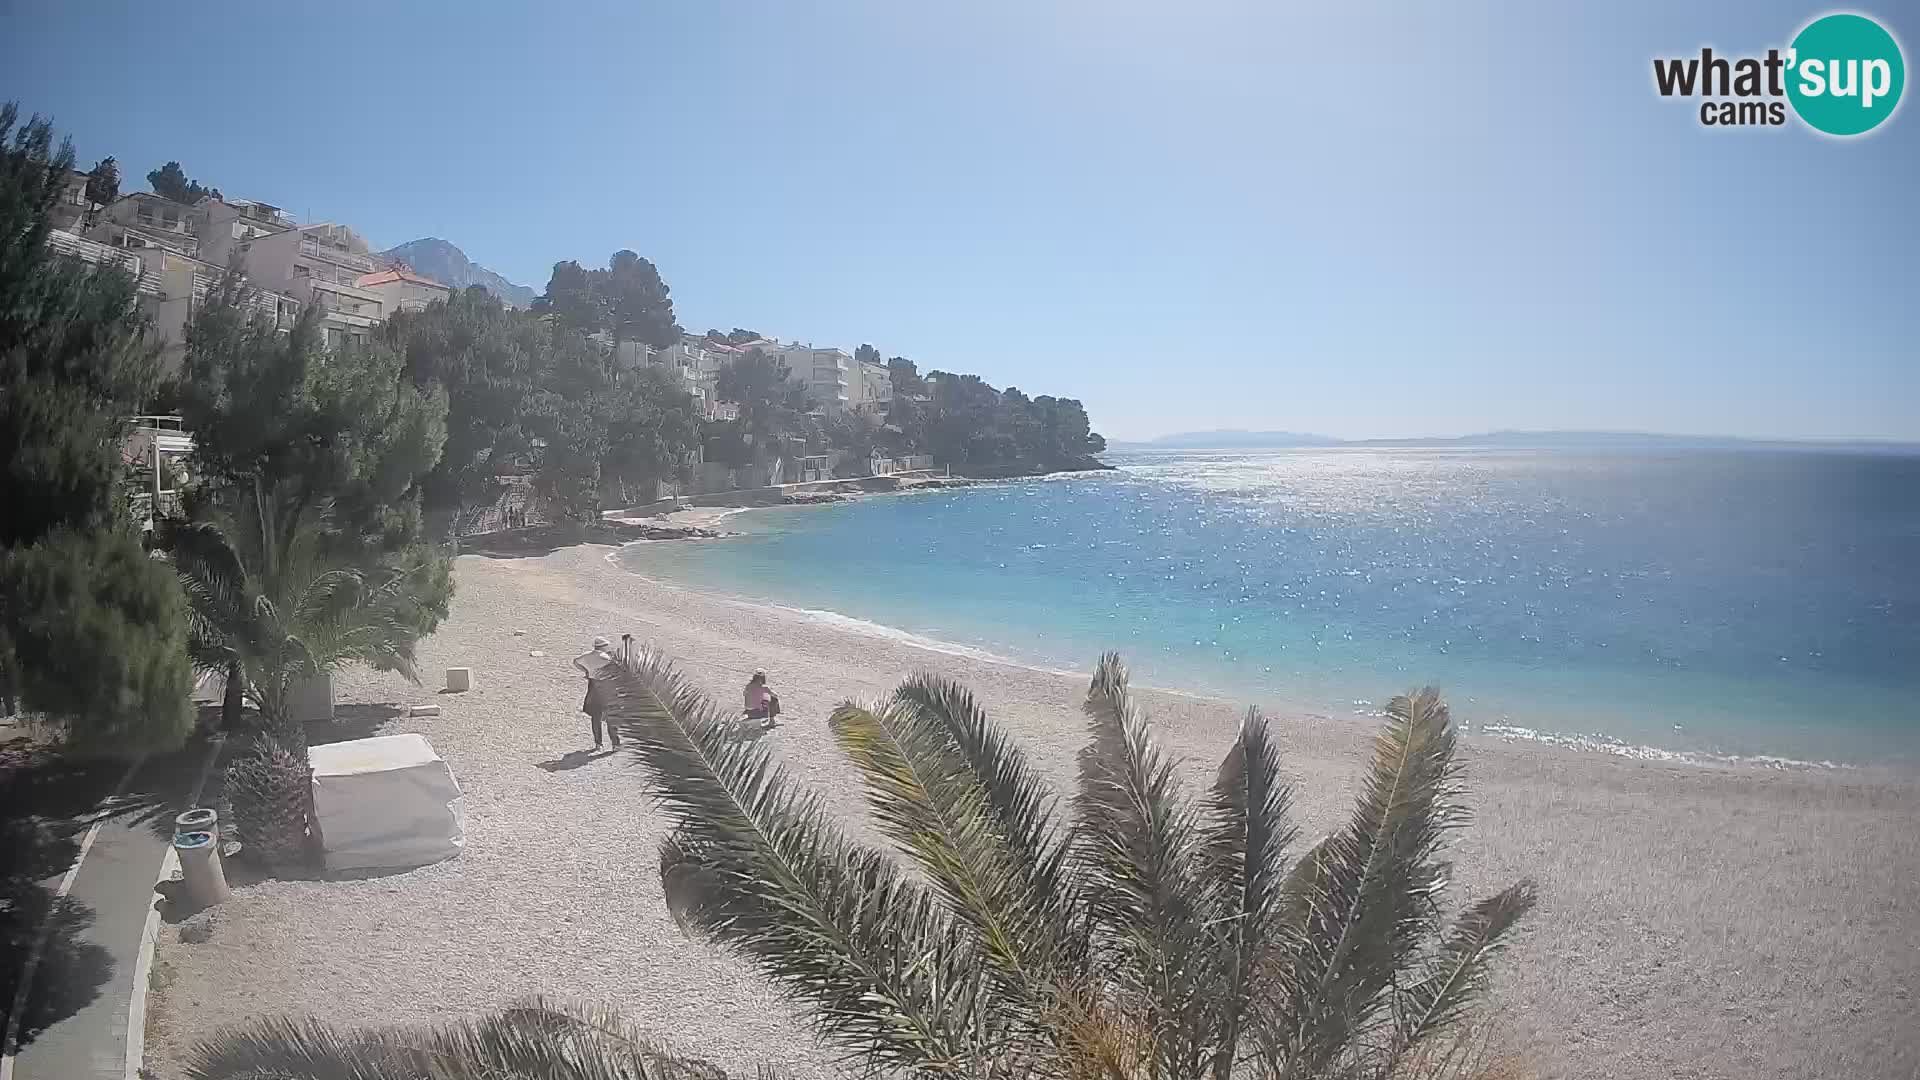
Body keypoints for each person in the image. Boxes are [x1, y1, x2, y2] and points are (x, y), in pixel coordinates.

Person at [575, 636, 620, 750]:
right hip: (606, 687)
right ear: (604, 647)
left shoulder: (587, 655)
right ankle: (615, 744)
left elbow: (575, 661)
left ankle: (598, 743)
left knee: (596, 716)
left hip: (593, 685)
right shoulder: (606, 658)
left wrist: (586, 670)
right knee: (611, 716)